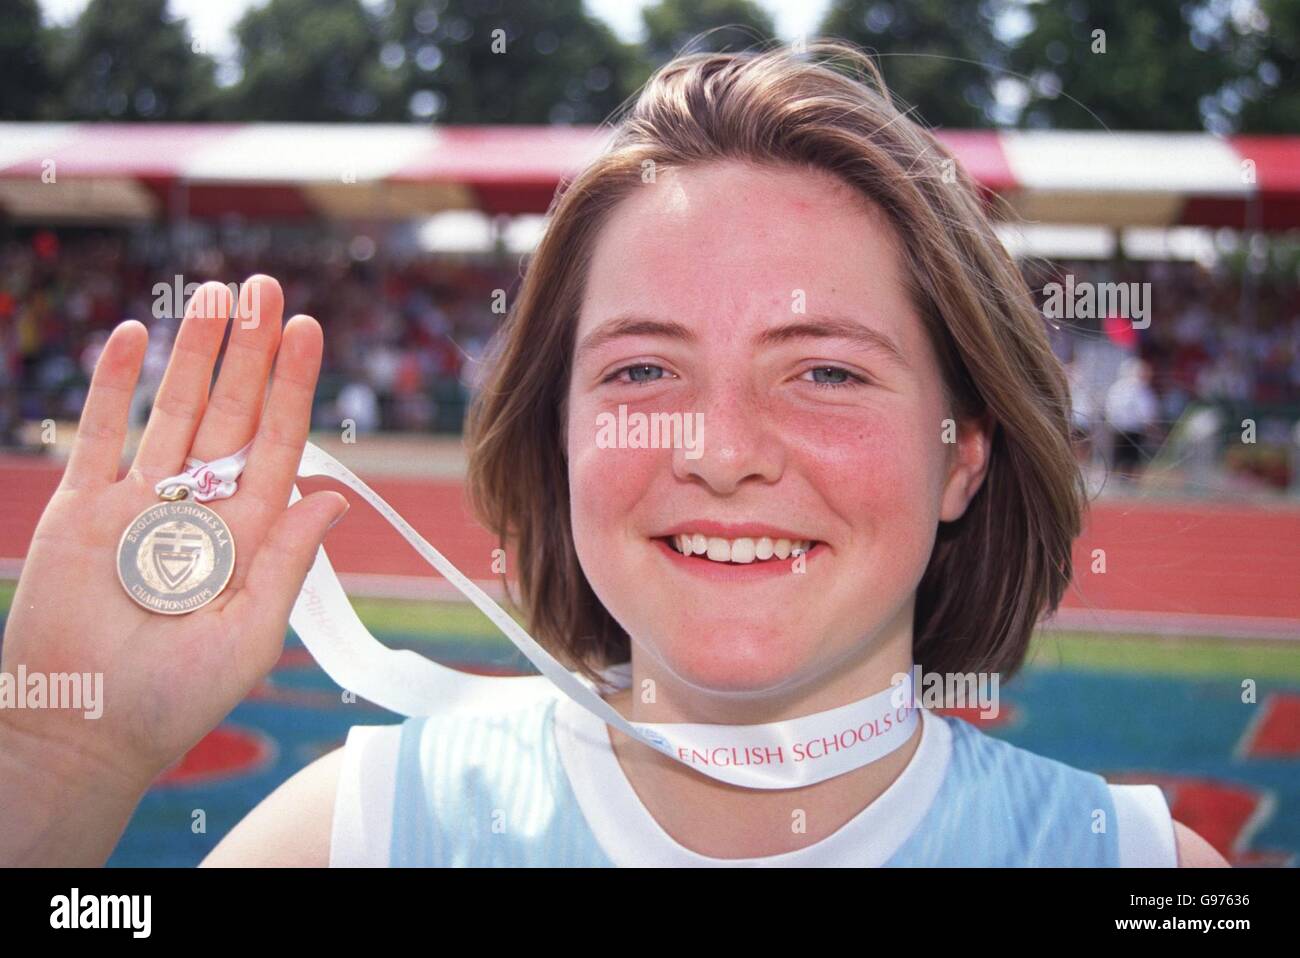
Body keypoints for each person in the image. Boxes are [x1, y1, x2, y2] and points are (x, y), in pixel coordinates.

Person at [0, 40, 1226, 867]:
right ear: (560, 433)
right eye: (643, 368)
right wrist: (59, 764)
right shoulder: (353, 838)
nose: (723, 451)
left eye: (827, 371)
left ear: (963, 455)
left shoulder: (1145, 871)